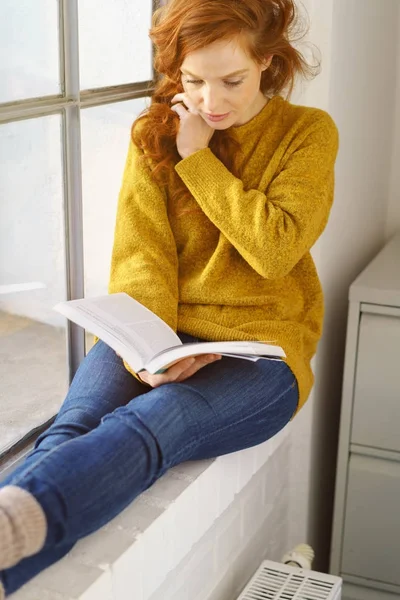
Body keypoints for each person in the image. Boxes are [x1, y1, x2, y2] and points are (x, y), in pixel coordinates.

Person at [0, 0, 338, 595]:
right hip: (159, 333)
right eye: (193, 81)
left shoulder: (307, 134)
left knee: (159, 418)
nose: (211, 101)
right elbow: (142, 258)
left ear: (267, 59)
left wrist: (198, 159)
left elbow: (274, 249)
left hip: (263, 354)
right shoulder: (152, 134)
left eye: (231, 80)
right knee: (74, 423)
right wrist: (147, 354)